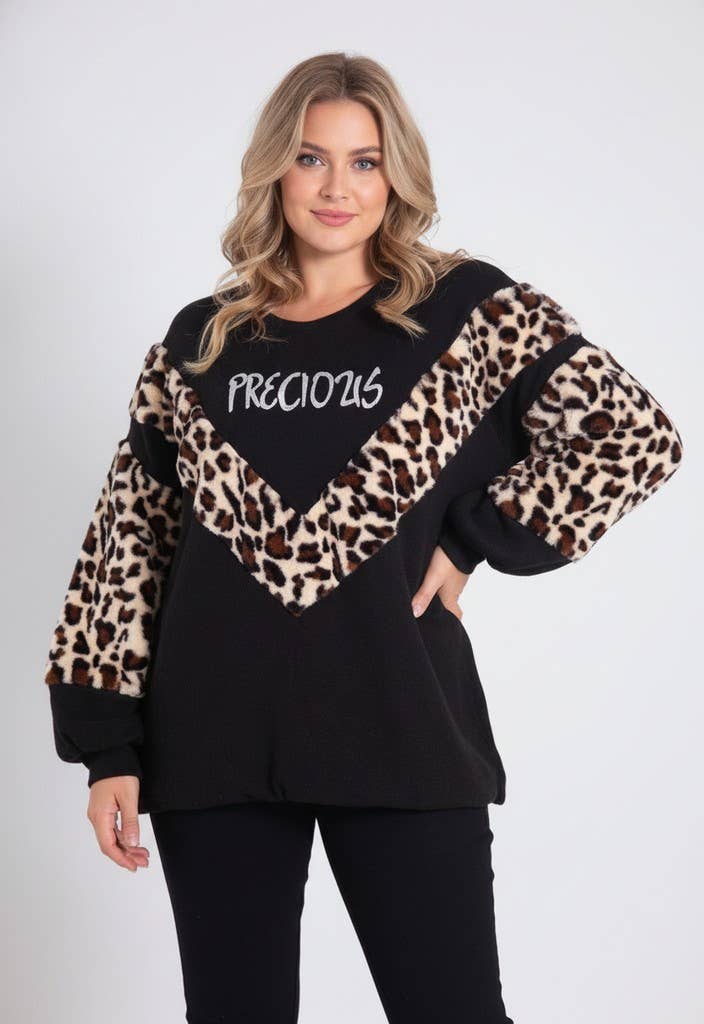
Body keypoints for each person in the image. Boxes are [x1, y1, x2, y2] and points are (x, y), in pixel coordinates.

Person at [42, 52, 685, 1024]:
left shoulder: (465, 311)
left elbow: (629, 435)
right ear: (274, 170)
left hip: (401, 727)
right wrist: (107, 747)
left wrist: (473, 539)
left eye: (364, 161)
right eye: (310, 158)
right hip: (212, 743)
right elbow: (126, 545)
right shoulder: (200, 341)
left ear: (396, 175)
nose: (336, 187)